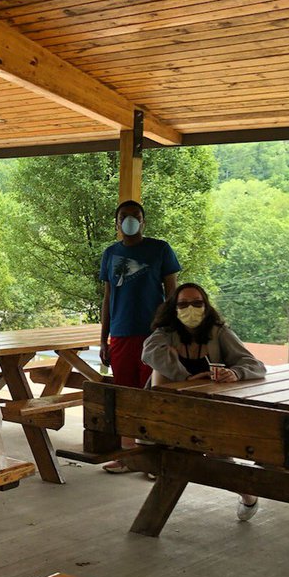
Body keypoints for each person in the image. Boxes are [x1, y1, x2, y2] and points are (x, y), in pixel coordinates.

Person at [142, 282, 266, 521]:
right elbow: (149, 352)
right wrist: (186, 377)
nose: (191, 308)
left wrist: (235, 373)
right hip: (172, 413)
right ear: (174, 308)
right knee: (182, 458)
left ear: (206, 305)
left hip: (211, 412)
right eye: (183, 304)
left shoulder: (219, 332)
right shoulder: (165, 333)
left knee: (218, 457)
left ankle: (248, 495)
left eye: (197, 303)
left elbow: (255, 365)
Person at [99, 199, 181, 472]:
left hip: (154, 335)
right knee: (125, 395)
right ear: (117, 222)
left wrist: (172, 331)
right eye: (124, 216)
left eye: (135, 216)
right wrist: (104, 338)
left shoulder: (160, 249)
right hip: (121, 333)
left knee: (153, 395)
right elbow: (108, 297)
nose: (129, 220)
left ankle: (154, 461)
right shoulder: (110, 254)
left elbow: (173, 294)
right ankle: (127, 457)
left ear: (144, 222)